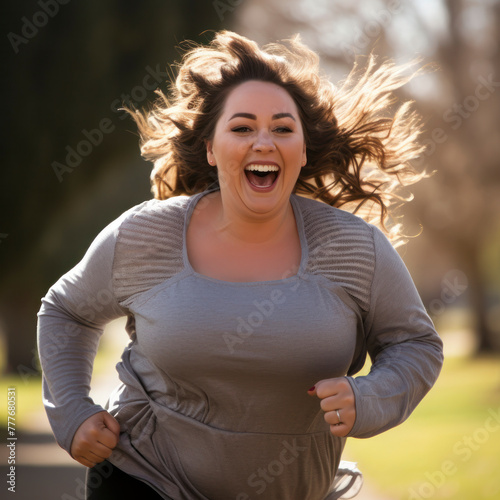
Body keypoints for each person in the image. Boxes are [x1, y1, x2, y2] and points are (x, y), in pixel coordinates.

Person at [37, 31, 443, 500]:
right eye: (243, 127)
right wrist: (72, 413)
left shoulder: (355, 248)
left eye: (283, 128)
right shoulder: (145, 235)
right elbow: (67, 311)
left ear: (303, 149)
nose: (264, 142)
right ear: (211, 149)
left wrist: (371, 397)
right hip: (145, 477)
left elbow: (415, 344)